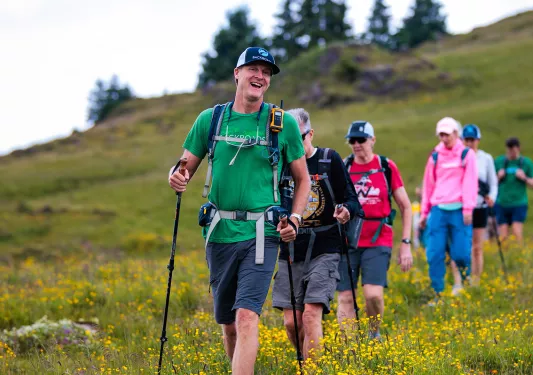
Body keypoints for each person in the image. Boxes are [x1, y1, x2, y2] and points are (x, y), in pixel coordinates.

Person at [168, 47, 311, 375]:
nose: (260, 76)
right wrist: (176, 177)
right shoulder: (211, 120)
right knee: (229, 323)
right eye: (254, 69)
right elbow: (184, 167)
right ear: (237, 73)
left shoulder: (282, 124)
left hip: (263, 234)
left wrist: (296, 218)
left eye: (267, 72)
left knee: (247, 316)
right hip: (219, 232)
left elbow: (303, 180)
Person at [272, 109, 362, 360]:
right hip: (291, 249)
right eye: (288, 139)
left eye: (300, 137)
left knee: (311, 314)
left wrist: (346, 212)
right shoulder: (279, 166)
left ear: (311, 133)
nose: (294, 144)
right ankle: (306, 358)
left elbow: (353, 201)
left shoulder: (329, 159)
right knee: (292, 322)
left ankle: (314, 369)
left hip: (326, 246)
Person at [336, 121, 413, 339]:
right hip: (348, 240)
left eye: (361, 139)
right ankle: (350, 347)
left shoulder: (386, 167)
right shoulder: (344, 166)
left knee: (373, 295)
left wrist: (406, 244)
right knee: (345, 297)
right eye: (352, 140)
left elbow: (406, 206)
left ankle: (372, 334)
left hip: (378, 238)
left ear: (373, 139)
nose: (356, 144)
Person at [419, 117, 477, 300]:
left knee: (460, 253)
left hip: (460, 210)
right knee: (434, 253)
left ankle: (465, 278)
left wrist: (468, 209)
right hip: (438, 209)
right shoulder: (435, 156)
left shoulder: (466, 155)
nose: (445, 138)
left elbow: (470, 183)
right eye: (441, 134)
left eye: (448, 133)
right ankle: (438, 293)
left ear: (456, 133)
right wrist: (424, 212)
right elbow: (428, 185)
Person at [449, 124, 498, 289]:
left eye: (472, 140)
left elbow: (493, 183)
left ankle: (475, 282)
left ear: (478, 140)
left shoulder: (486, 159)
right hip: (461, 207)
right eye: (466, 140)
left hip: (480, 206)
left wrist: (491, 197)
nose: (469, 143)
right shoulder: (457, 157)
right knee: (459, 246)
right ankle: (459, 282)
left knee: (477, 247)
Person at [494, 137, 533, 244]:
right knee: (503, 237)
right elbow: (491, 183)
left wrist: (524, 178)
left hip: (519, 202)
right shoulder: (499, 162)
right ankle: (506, 259)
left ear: (518, 149)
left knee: (517, 232)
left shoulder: (526, 163)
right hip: (502, 202)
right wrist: (498, 176)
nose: (511, 153)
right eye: (509, 150)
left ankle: (519, 255)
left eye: (514, 150)